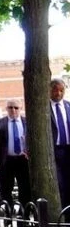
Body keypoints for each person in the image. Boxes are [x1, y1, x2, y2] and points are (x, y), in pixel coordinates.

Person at [0, 99, 32, 211]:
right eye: (10, 107)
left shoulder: (28, 122)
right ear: (6, 109)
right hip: (6, 161)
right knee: (6, 190)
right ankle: (8, 215)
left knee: (25, 189)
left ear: (20, 108)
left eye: (16, 107)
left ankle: (24, 217)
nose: (13, 110)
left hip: (23, 160)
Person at [50, 78, 70, 209]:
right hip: (54, 151)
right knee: (60, 184)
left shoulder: (69, 106)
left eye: (61, 90)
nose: (58, 93)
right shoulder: (43, 108)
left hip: (69, 150)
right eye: (55, 90)